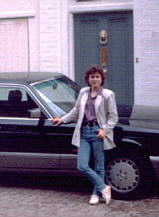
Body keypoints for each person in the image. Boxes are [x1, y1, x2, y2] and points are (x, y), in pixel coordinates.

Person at [51, 65, 118, 205]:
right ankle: (104, 187)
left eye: (97, 77)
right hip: (84, 133)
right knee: (82, 165)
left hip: (98, 132)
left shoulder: (107, 95)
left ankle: (96, 194)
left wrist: (105, 130)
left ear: (101, 79)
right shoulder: (83, 92)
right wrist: (62, 120)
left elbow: (113, 117)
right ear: (88, 79)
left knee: (99, 165)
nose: (94, 79)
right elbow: (76, 111)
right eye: (92, 77)